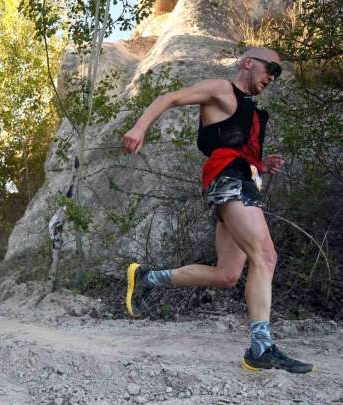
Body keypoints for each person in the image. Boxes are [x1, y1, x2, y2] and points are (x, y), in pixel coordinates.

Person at [122, 47, 314, 373]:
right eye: (271, 70)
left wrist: (261, 165)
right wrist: (140, 128)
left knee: (227, 275)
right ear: (248, 62)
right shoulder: (222, 89)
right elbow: (170, 97)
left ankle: (146, 278)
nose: (272, 78)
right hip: (228, 182)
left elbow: (234, 148)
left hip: (239, 181)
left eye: (276, 75)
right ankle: (261, 347)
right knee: (266, 257)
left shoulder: (248, 109)